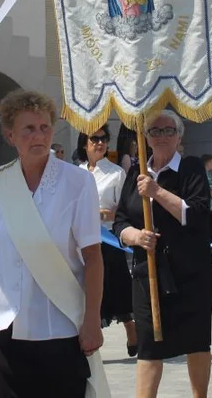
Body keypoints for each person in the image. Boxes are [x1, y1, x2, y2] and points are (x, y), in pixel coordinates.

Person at [0, 90, 105, 398]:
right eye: (28, 129)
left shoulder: (78, 183)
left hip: (59, 332)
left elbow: (93, 257)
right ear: (10, 135)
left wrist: (92, 319)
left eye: (44, 127)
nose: (38, 135)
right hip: (0, 334)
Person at [114, 111, 212, 398]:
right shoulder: (136, 172)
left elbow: (196, 214)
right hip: (148, 273)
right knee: (148, 344)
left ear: (179, 136)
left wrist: (156, 191)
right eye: (155, 132)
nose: (161, 137)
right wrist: (135, 236)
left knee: (196, 341)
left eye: (168, 131)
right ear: (145, 137)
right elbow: (121, 220)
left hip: (190, 273)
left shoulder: (191, 168)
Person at [80, 125, 137, 356]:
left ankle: (131, 330)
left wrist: (107, 214)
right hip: (82, 240)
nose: (100, 143)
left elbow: (125, 210)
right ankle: (90, 335)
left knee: (117, 285)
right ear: (85, 143)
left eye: (104, 138)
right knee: (86, 289)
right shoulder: (78, 171)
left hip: (109, 239)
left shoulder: (116, 173)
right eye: (95, 139)